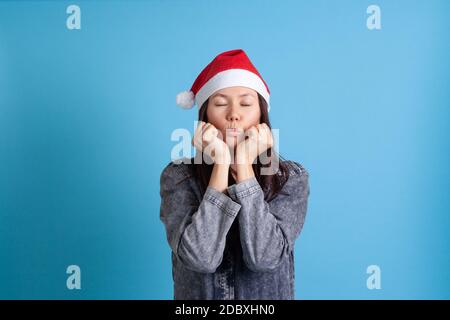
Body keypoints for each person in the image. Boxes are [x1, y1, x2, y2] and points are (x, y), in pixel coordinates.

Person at [160, 49, 310, 299]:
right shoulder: (178, 177)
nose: (233, 114)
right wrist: (220, 165)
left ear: (262, 114)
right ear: (205, 115)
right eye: (220, 103)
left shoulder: (290, 179)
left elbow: (265, 258)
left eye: (246, 103)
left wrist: (243, 167)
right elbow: (200, 258)